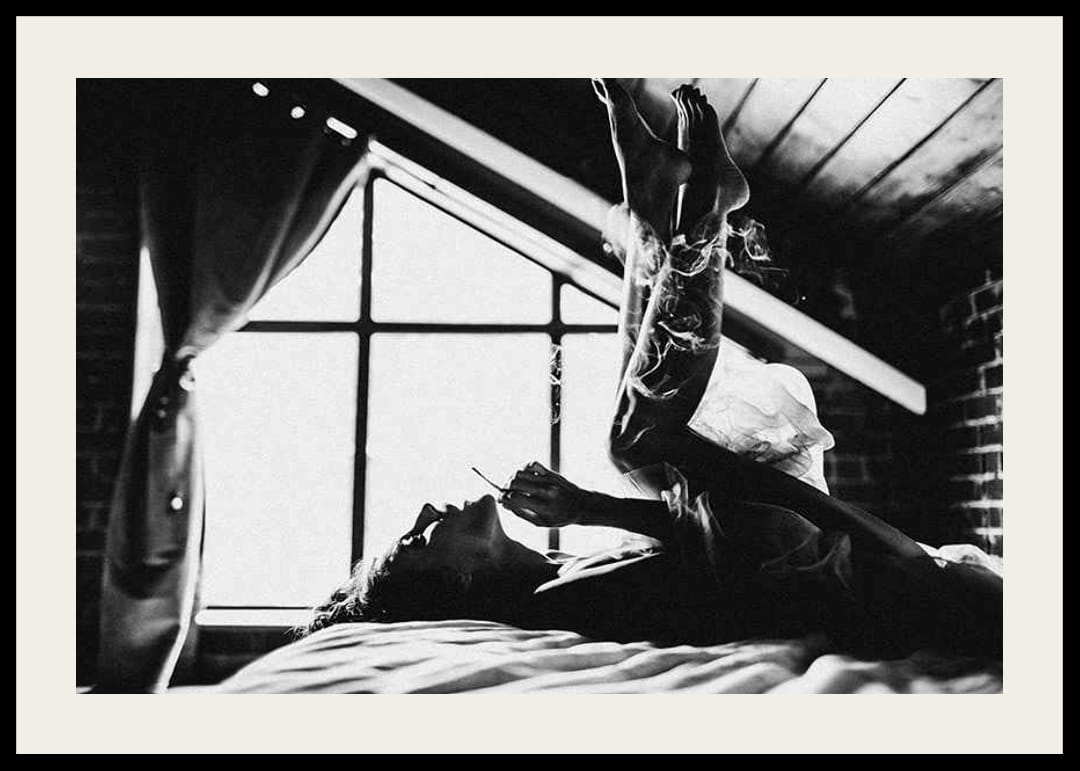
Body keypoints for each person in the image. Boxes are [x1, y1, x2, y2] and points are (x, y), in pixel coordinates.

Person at [301, 80, 1003, 658]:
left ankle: (659, 211)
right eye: (415, 540)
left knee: (636, 458)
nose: (426, 514)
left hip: (861, 566)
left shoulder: (556, 577)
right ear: (451, 584)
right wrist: (597, 506)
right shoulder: (555, 605)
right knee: (636, 444)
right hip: (884, 588)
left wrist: (587, 509)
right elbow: (725, 563)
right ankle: (695, 217)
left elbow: (694, 548)